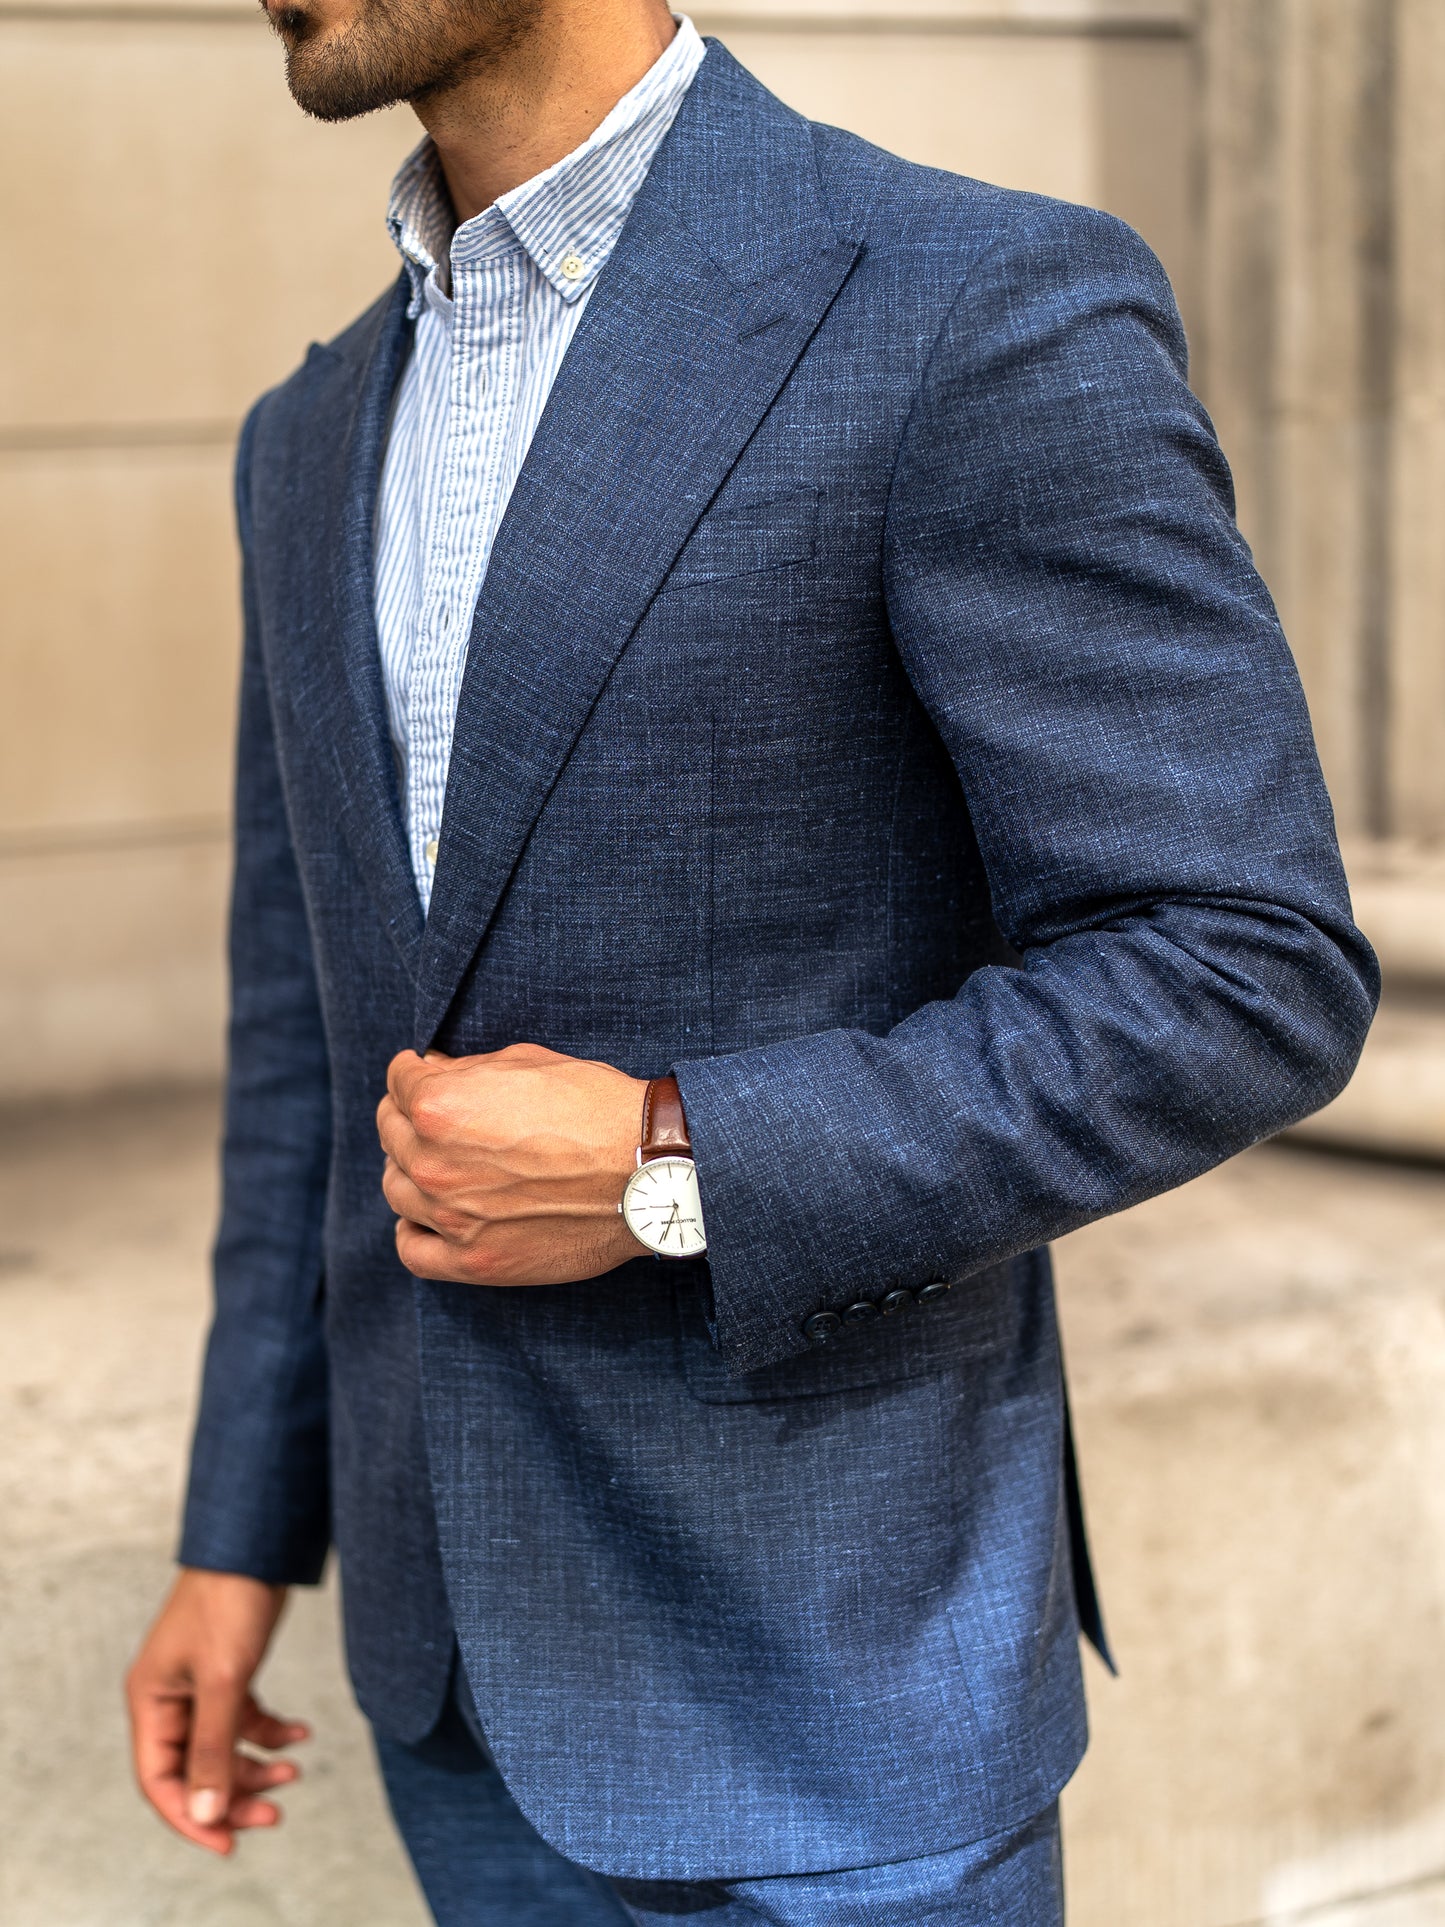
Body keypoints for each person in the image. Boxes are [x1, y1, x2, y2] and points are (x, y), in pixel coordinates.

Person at [124, 0, 1378, 1918]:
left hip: (836, 1691)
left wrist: (667, 1158)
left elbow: (1240, 963)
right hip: (446, 1674)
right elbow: (307, 1025)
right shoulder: (305, 440)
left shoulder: (973, 303)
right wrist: (241, 1532)